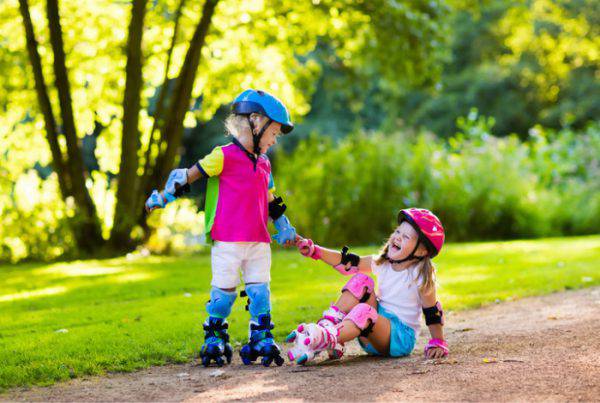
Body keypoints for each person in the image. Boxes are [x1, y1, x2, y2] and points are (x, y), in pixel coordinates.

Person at [145, 89, 297, 367]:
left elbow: (271, 199)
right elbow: (186, 177)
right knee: (223, 295)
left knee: (260, 292)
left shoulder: (264, 163)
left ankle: (260, 335)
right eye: (273, 132)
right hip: (227, 239)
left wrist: (283, 225)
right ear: (255, 121)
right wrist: (163, 197)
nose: (275, 140)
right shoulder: (223, 156)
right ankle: (214, 335)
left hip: (259, 241)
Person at [287, 208, 448, 364]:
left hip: (399, 338)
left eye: (406, 237)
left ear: (421, 251)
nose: (398, 237)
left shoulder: (421, 275)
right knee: (361, 280)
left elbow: (432, 311)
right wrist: (315, 250)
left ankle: (327, 337)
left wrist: (438, 341)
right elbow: (347, 263)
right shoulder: (383, 262)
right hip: (371, 328)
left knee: (365, 311)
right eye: (398, 232)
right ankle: (328, 326)